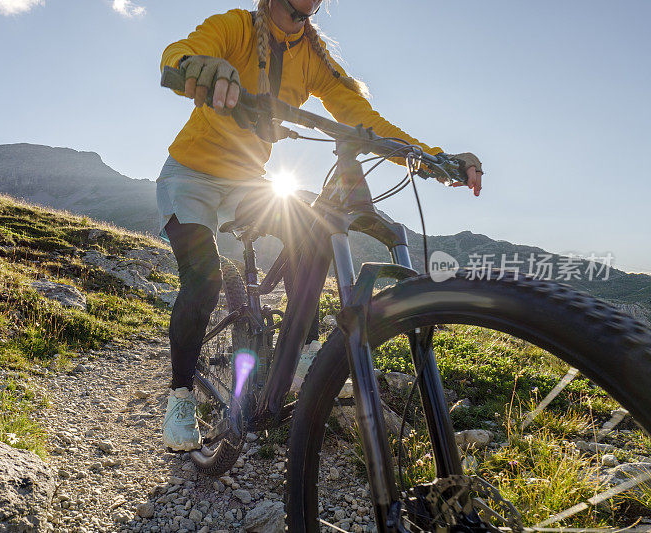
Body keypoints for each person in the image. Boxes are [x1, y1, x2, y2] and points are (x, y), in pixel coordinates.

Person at [157, 0, 483, 451]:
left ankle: (305, 350)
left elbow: (364, 120)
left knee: (308, 228)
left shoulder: (312, 55)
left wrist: (430, 158)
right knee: (203, 280)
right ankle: (180, 395)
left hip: (247, 181)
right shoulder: (236, 28)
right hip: (190, 176)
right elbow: (179, 52)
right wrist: (200, 65)